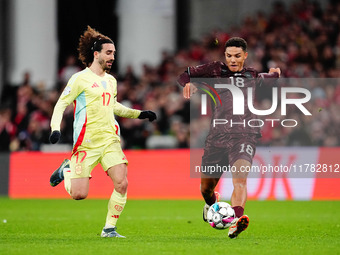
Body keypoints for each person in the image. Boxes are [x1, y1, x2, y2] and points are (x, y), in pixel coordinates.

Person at [49, 26, 156, 238]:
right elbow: (61, 104)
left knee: (122, 183)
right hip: (86, 143)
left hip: (109, 140)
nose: (112, 57)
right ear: (96, 54)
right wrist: (55, 128)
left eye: (114, 53)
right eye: (109, 53)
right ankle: (66, 170)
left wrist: (139, 114)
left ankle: (109, 229)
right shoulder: (80, 79)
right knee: (79, 195)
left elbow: (113, 106)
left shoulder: (111, 80)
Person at [177, 37, 280, 238]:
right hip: (217, 136)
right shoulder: (215, 70)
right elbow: (185, 74)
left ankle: (235, 220)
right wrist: (187, 84)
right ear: (225, 56)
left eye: (237, 56)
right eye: (229, 56)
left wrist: (275, 74)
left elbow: (268, 78)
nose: (233, 60)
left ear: (245, 56)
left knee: (240, 179)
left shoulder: (251, 74)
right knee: (206, 189)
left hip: (244, 134)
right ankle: (210, 205)